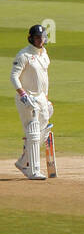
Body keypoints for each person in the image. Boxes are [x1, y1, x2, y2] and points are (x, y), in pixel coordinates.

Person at [11, 24, 52, 181]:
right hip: (27, 97)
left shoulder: (44, 54)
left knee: (43, 132)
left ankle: (22, 162)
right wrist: (22, 94)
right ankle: (34, 170)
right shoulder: (24, 55)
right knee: (33, 132)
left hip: (41, 98)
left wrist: (46, 98)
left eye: (41, 37)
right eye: (37, 37)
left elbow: (44, 78)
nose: (40, 40)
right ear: (30, 38)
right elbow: (14, 77)